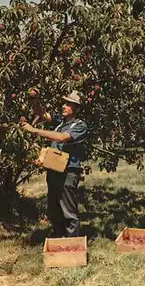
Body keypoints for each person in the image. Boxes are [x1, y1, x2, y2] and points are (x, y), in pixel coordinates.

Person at [21, 90, 88, 238]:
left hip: (69, 173)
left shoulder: (80, 126)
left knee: (68, 210)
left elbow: (61, 138)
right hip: (54, 171)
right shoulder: (60, 122)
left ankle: (73, 244)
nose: (64, 106)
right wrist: (35, 100)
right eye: (64, 103)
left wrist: (34, 130)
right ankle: (59, 239)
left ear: (76, 109)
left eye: (68, 104)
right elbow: (42, 113)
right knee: (54, 209)